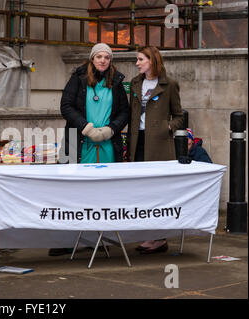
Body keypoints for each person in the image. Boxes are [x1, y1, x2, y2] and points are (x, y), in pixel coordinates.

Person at [50, 43, 130, 256]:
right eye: (99, 57)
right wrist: (86, 127)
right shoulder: (77, 78)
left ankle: (100, 237)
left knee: (104, 191)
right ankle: (66, 240)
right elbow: (66, 106)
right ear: (92, 59)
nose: (103, 60)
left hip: (107, 144)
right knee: (70, 192)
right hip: (76, 142)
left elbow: (124, 111)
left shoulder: (117, 82)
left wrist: (111, 130)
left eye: (107, 57)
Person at [127, 46, 184, 254]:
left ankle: (158, 238)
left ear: (152, 60)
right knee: (141, 191)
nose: (137, 63)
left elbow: (179, 116)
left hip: (159, 145)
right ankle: (149, 236)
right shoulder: (135, 83)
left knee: (158, 192)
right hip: (138, 142)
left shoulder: (169, 85)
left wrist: (167, 127)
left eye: (141, 59)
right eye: (137, 59)